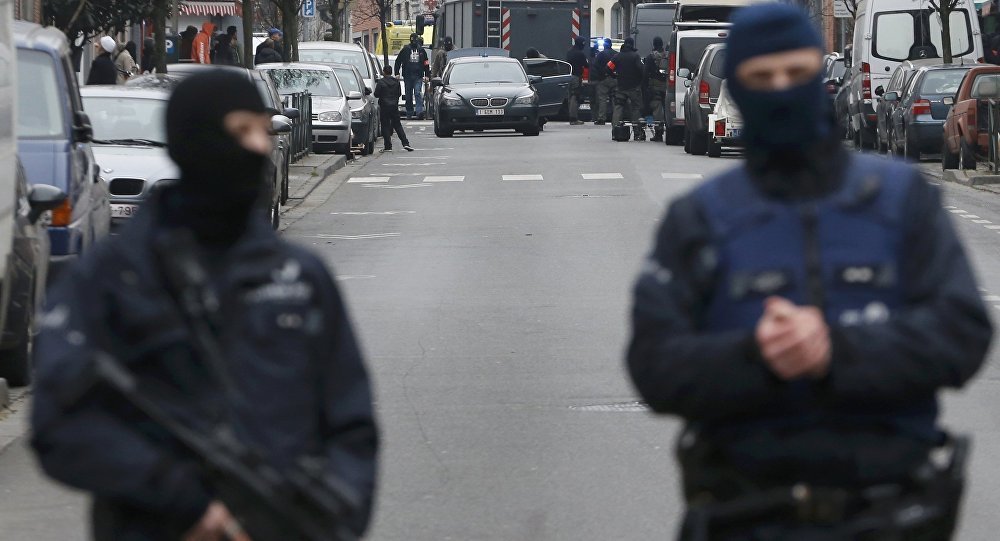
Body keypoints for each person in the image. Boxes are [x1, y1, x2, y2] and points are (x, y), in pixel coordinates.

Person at [626, 5, 991, 539]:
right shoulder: (702, 218)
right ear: (739, 88)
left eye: (795, 74)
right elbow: (654, 363)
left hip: (886, 510)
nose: (780, 90)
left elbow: (962, 333)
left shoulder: (898, 199)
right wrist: (757, 357)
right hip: (746, 511)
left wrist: (837, 352)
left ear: (820, 75)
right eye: (760, 78)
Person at [30, 69, 379, 541]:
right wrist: (177, 500)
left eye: (263, 129)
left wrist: (333, 512)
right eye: (240, 131)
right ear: (193, 141)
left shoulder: (299, 276)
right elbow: (61, 421)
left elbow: (351, 422)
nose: (258, 146)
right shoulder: (114, 276)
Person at [607, 37, 644, 140]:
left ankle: (615, 131)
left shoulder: (617, 56)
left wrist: (615, 76)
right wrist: (640, 80)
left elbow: (608, 68)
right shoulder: (635, 57)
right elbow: (642, 69)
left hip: (621, 87)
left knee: (618, 107)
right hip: (634, 88)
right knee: (635, 108)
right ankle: (637, 132)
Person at [375, 66, 414, 152]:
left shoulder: (381, 82)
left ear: (384, 72)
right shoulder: (396, 82)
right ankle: (405, 143)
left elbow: (376, 94)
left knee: (385, 125)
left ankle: (388, 145)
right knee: (397, 125)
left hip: (384, 106)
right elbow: (399, 93)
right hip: (394, 106)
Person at [394, 33, 430, 120]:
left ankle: (419, 112)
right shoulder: (406, 50)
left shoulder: (421, 50)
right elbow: (398, 61)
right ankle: (409, 112)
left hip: (418, 76)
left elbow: (426, 63)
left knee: (417, 93)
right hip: (408, 76)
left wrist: (427, 75)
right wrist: (396, 73)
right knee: (408, 95)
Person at [643, 36, 668, 142]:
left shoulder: (651, 57)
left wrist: (644, 87)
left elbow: (645, 73)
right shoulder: (667, 56)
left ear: (653, 44)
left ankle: (659, 133)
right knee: (668, 110)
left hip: (655, 87)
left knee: (657, 110)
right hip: (667, 87)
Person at [592, 38, 616, 126]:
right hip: (615, 79)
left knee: (602, 99)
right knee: (615, 99)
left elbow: (595, 66)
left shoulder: (600, 54)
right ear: (611, 45)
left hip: (603, 80)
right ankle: (616, 118)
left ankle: (601, 118)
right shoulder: (615, 54)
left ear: (604, 46)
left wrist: (601, 75)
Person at [565, 36, 589, 126]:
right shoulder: (580, 54)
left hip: (569, 76)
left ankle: (571, 116)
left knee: (570, 96)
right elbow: (586, 65)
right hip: (576, 76)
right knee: (575, 97)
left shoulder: (569, 52)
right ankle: (574, 118)